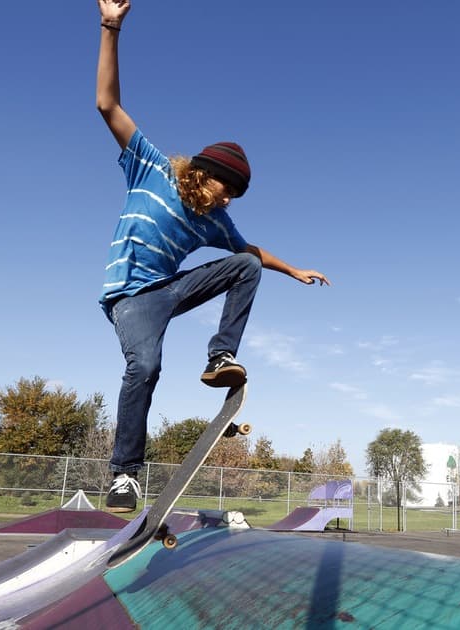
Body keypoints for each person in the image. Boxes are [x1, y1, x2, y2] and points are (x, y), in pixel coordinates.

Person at [94, 0, 330, 513]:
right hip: (131, 300)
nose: (226, 203)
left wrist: (292, 269)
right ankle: (125, 476)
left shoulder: (215, 222)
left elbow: (249, 252)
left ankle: (219, 356)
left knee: (243, 264)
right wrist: (111, 28)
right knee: (146, 366)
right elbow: (108, 106)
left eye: (233, 199)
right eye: (226, 191)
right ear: (202, 172)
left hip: (171, 287)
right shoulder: (150, 167)